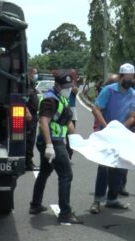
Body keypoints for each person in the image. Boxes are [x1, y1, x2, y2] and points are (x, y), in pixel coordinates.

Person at [29, 71, 83, 225]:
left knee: (45, 171)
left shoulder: (62, 99)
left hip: (56, 140)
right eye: (65, 86)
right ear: (57, 85)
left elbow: (67, 121)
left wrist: (77, 140)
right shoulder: (50, 100)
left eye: (69, 86)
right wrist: (49, 145)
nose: (68, 88)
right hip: (52, 141)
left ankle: (35, 204)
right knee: (66, 175)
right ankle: (65, 213)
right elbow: (43, 121)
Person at [89, 63, 135, 214]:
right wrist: (107, 127)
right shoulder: (108, 91)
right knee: (104, 167)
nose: (130, 81)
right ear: (121, 77)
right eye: (127, 78)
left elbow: (133, 116)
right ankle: (97, 200)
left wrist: (120, 129)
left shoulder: (134, 94)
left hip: (123, 134)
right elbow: (96, 108)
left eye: (132, 78)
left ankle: (112, 199)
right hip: (107, 133)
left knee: (119, 167)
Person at [25, 67, 39, 171]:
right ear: (29, 74)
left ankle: (28, 161)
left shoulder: (32, 86)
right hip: (28, 117)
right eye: (34, 73)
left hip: (34, 116)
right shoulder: (26, 86)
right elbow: (22, 100)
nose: (35, 75)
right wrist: (27, 111)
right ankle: (28, 163)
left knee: (31, 140)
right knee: (29, 140)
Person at [66, 70, 79, 160]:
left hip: (72, 109)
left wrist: (73, 82)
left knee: (71, 133)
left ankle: (69, 150)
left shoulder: (74, 84)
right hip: (62, 108)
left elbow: (75, 90)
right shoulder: (63, 82)